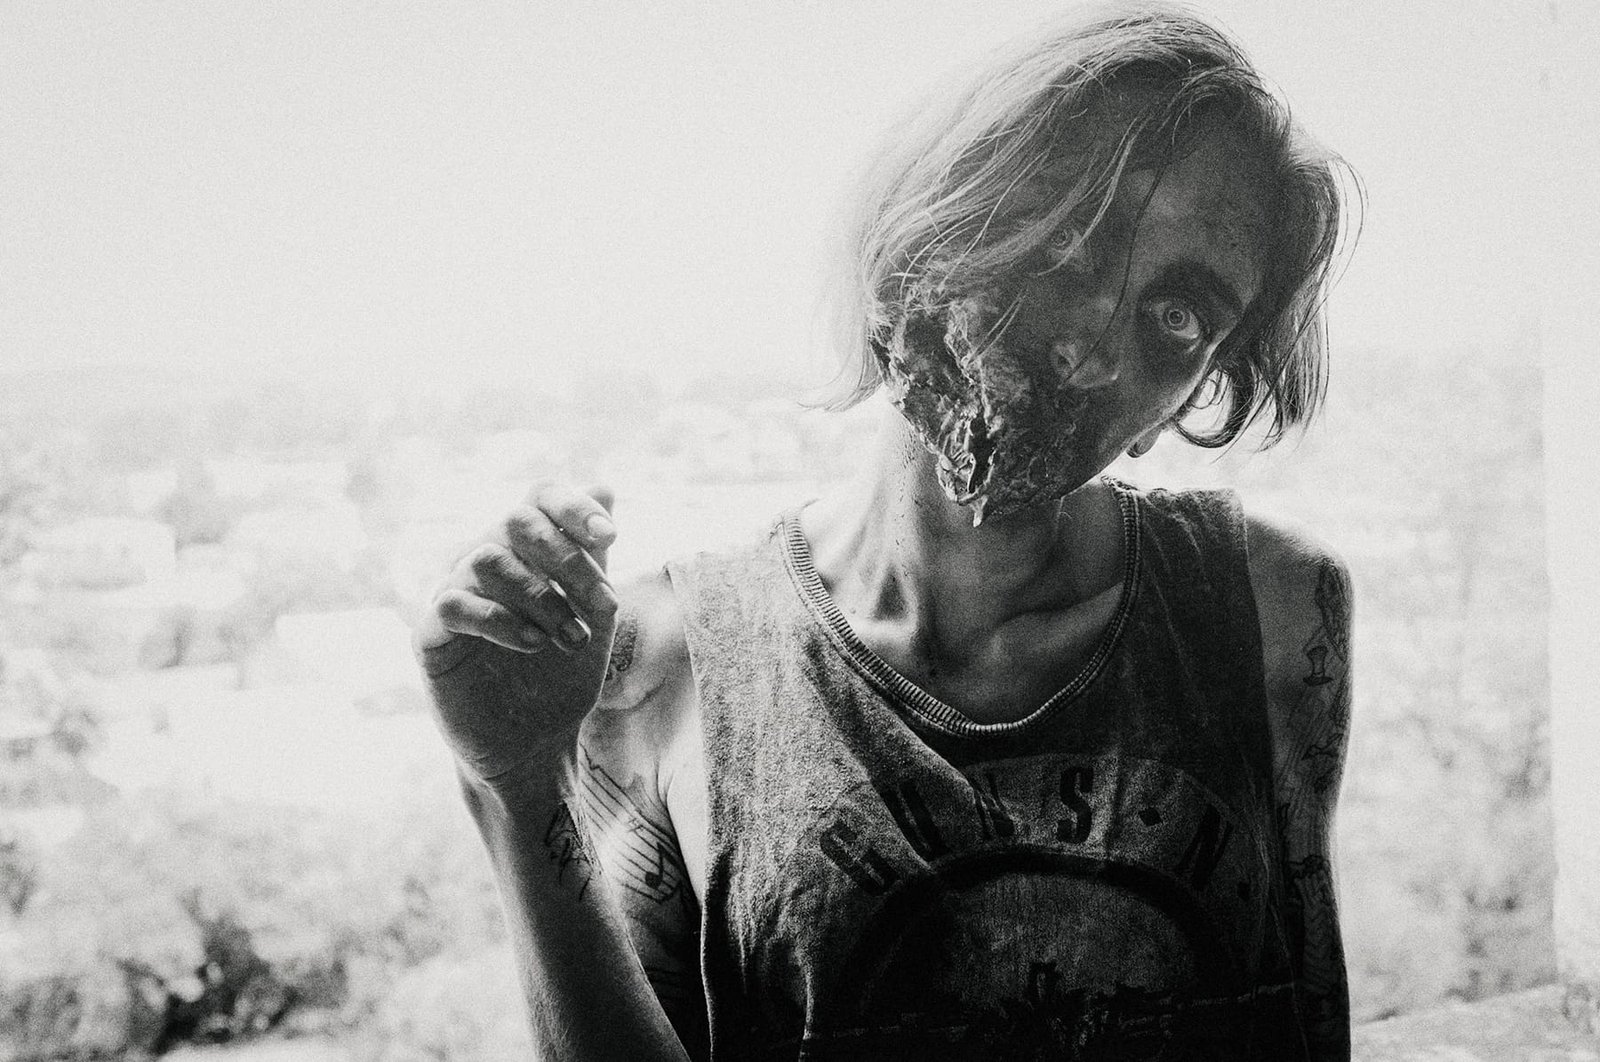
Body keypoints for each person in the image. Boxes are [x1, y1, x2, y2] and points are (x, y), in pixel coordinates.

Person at [415, 3, 1357, 1058]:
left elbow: (1300, 1020)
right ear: (927, 234)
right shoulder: (665, 664)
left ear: (1175, 407)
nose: (1093, 351)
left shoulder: (1268, 613)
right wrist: (516, 781)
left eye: (1177, 317)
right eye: (1069, 243)